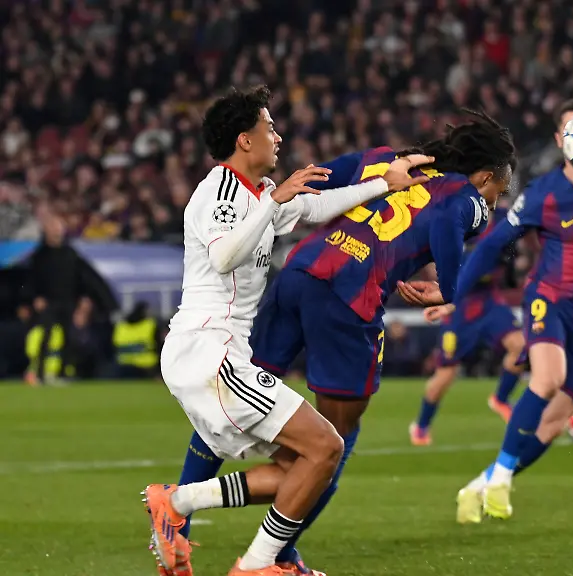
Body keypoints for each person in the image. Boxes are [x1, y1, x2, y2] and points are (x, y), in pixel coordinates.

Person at [171, 108, 516, 575]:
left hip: (301, 273)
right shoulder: (467, 196)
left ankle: (181, 517)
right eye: (501, 188)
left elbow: (326, 178)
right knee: (332, 445)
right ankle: (275, 557)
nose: (497, 199)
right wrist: (450, 291)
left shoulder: (387, 160)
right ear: (484, 174)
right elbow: (447, 224)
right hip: (350, 300)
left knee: (233, 394)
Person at [144, 85, 432, 576]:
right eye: (269, 126)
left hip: (218, 356)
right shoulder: (222, 189)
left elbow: (317, 208)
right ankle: (255, 563)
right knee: (326, 448)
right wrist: (273, 199)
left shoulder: (256, 195)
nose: (277, 135)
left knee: (304, 464)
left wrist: (388, 182)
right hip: (207, 352)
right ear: (245, 140)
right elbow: (222, 255)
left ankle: (181, 503)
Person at [422, 98, 573, 523]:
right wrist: (452, 292)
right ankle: (504, 478)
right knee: (548, 379)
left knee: (556, 420)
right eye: (570, 132)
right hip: (550, 300)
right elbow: (492, 245)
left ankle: (483, 482)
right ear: (561, 141)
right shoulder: (544, 194)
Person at [409, 202, 526, 446]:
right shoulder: (456, 219)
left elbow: (519, 240)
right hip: (460, 306)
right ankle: (421, 425)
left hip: (489, 300)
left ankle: (501, 399)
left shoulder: (505, 215)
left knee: (520, 346)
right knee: (445, 375)